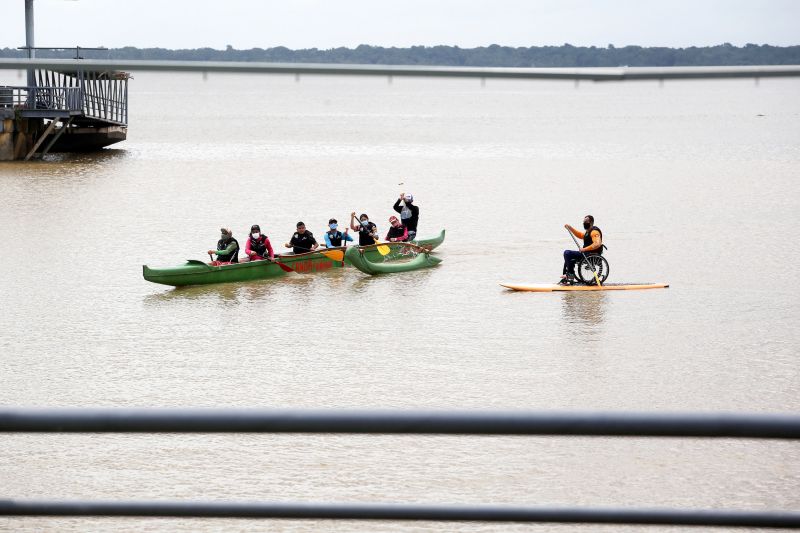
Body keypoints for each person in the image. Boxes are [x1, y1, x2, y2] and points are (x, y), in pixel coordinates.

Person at [561, 215, 603, 284]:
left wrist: (584, 249)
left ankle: (570, 275)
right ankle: (568, 275)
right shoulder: (588, 232)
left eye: (586, 222)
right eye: (583, 222)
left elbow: (597, 244)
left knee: (567, 253)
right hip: (585, 254)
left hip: (590, 255)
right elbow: (580, 235)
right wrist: (570, 228)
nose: (584, 223)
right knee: (569, 256)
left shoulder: (594, 232)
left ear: (591, 222)